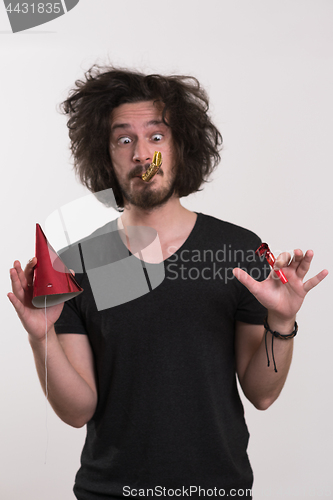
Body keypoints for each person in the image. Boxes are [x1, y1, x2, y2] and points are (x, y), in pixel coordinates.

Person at [8, 66, 328, 500]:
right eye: (125, 140)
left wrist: (281, 321)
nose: (143, 154)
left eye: (156, 137)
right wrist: (40, 338)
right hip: (110, 492)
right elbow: (77, 411)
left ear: (181, 147)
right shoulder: (80, 263)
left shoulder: (237, 250)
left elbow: (262, 394)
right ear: (106, 155)